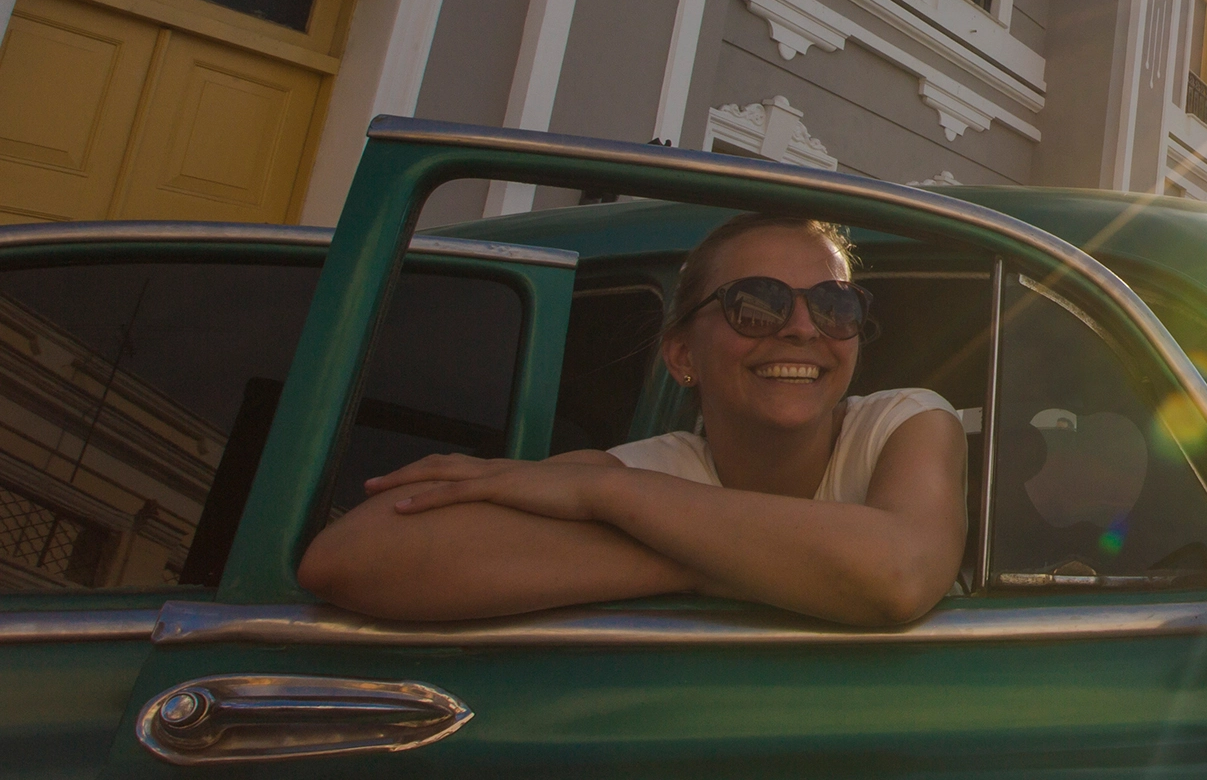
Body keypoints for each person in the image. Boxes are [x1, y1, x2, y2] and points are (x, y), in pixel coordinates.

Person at [300, 214, 967, 625]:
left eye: (833, 305)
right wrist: (742, 561)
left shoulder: (902, 424)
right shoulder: (659, 466)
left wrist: (608, 497)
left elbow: (898, 574)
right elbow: (349, 558)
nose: (800, 328)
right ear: (682, 354)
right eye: (755, 305)